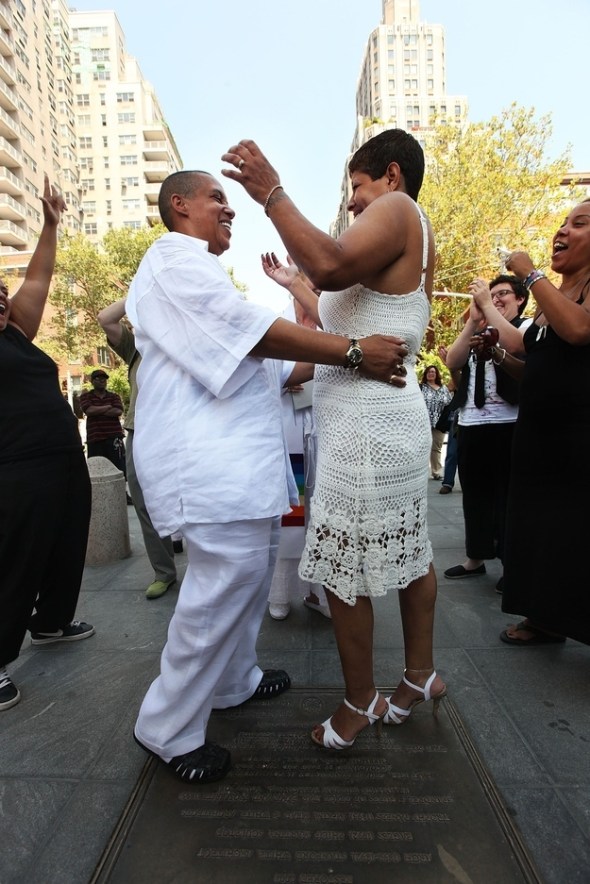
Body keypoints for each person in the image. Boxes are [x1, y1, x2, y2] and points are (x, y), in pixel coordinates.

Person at [126, 168, 406, 782]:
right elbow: (250, 337)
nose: (229, 210)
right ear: (179, 205)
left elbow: (275, 370)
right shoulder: (173, 261)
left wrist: (346, 360)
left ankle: (233, 681)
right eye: (216, 199)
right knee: (216, 594)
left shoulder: (197, 268)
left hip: (232, 468)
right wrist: (354, 351)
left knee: (245, 585)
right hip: (205, 468)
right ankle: (167, 728)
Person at [222, 129, 445, 750]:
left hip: (369, 426)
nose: (352, 204)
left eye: (357, 187)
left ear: (392, 177)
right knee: (411, 551)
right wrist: (301, 291)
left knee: (345, 566)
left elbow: (330, 263)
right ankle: (420, 677)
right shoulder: (408, 231)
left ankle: (357, 702)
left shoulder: (398, 211)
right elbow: (346, 312)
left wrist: (272, 194)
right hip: (382, 416)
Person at [0, 176, 94, 712]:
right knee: (15, 559)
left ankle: (52, 622)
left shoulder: (15, 331)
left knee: (65, 544)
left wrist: (51, 223)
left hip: (61, 460)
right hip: (15, 468)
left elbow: (37, 278)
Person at [497, 201, 590, 645]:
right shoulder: (551, 295)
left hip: (576, 434)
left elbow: (577, 331)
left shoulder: (569, 290)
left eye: (579, 223)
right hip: (537, 435)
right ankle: (546, 618)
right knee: (539, 529)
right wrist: (496, 351)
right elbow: (529, 354)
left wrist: (531, 275)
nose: (563, 229)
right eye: (562, 223)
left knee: (573, 530)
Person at [443, 275, 530, 591]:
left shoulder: (525, 327)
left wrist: (490, 316)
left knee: (508, 498)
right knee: (475, 496)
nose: (495, 299)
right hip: (471, 424)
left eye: (503, 294)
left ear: (520, 298)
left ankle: (512, 563)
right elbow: (452, 361)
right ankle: (476, 558)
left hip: (510, 423)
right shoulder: (478, 328)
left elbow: (517, 347)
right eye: (490, 295)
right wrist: (473, 321)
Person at [97, 299, 179, 599]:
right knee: (144, 503)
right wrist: (139, 290)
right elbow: (106, 318)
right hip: (139, 430)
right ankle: (164, 572)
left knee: (191, 498)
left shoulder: (183, 340)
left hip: (179, 431)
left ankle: (204, 570)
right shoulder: (136, 349)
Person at [79, 369, 128, 494]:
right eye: (98, 378)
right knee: (96, 470)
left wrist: (97, 410)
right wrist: (107, 407)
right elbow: (88, 411)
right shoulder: (86, 396)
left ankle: (121, 494)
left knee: (119, 468)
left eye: (104, 379)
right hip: (95, 439)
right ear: (92, 381)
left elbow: (118, 411)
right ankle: (99, 495)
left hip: (114, 438)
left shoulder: (114, 396)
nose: (102, 381)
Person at [419, 364, 451, 480]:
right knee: (422, 447)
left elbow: (449, 404)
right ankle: (419, 472)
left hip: (439, 422)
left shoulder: (443, 388)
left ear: (437, 374)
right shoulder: (421, 387)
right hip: (423, 422)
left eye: (433, 372)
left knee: (436, 448)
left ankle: (436, 471)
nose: (431, 374)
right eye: (429, 372)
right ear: (426, 374)